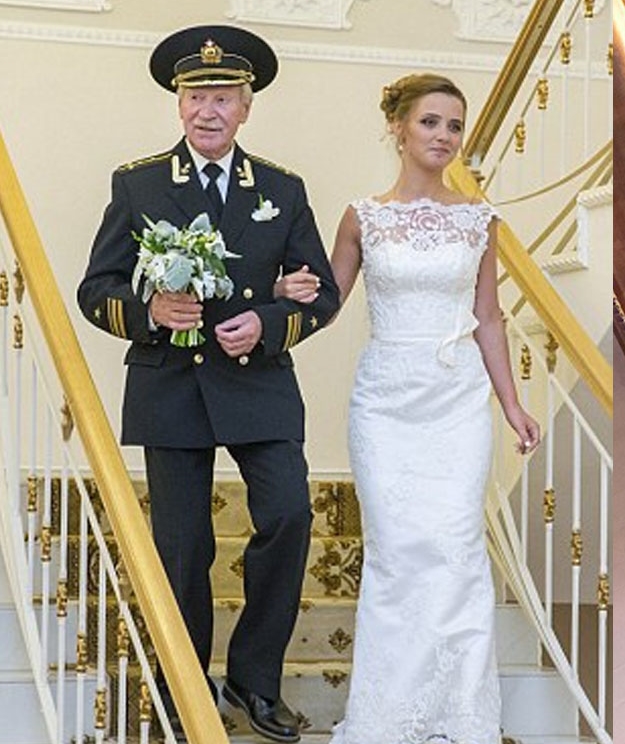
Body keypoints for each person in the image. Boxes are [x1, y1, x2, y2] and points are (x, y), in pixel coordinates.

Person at [77, 25, 340, 744]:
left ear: (246, 106)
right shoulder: (138, 183)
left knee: (288, 516)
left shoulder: (281, 189)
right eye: (196, 96)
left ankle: (255, 681)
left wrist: (268, 321)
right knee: (183, 547)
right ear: (178, 104)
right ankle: (184, 684)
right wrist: (151, 313)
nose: (208, 110)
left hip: (259, 384)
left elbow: (319, 293)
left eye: (223, 96)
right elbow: (96, 289)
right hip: (172, 386)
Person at [275, 73, 540, 744]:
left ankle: (459, 714)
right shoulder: (362, 217)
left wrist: (511, 405)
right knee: (396, 555)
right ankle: (389, 715)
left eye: (454, 126)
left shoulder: (480, 220)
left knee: (455, 548)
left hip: (457, 401)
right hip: (385, 403)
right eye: (430, 122)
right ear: (398, 127)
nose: (443, 136)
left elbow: (487, 318)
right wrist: (279, 293)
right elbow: (327, 303)